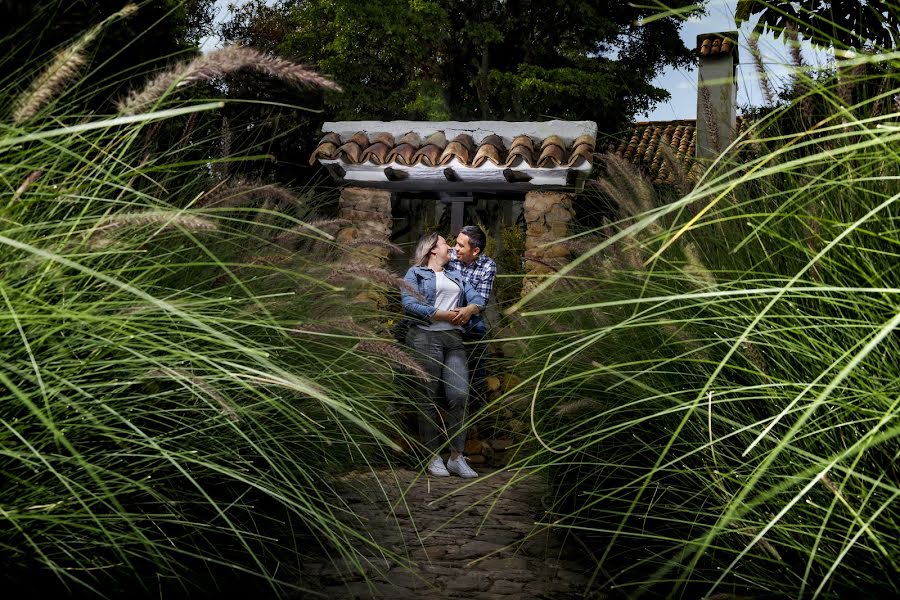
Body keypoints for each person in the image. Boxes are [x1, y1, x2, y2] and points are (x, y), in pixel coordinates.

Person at [401, 232, 486, 478]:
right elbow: (409, 304)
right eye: (444, 243)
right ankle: (432, 456)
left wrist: (470, 308)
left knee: (459, 396)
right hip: (425, 337)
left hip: (454, 339)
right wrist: (443, 314)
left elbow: (478, 299)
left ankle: (456, 458)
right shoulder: (415, 273)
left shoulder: (456, 274)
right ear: (432, 250)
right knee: (427, 397)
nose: (449, 246)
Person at [448, 225, 497, 408]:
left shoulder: (488, 266)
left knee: (478, 339)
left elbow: (482, 300)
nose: (455, 248)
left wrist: (468, 311)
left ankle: (476, 402)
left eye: (461, 246)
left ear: (475, 251)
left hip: (471, 314)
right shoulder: (450, 256)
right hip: (445, 312)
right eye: (455, 243)